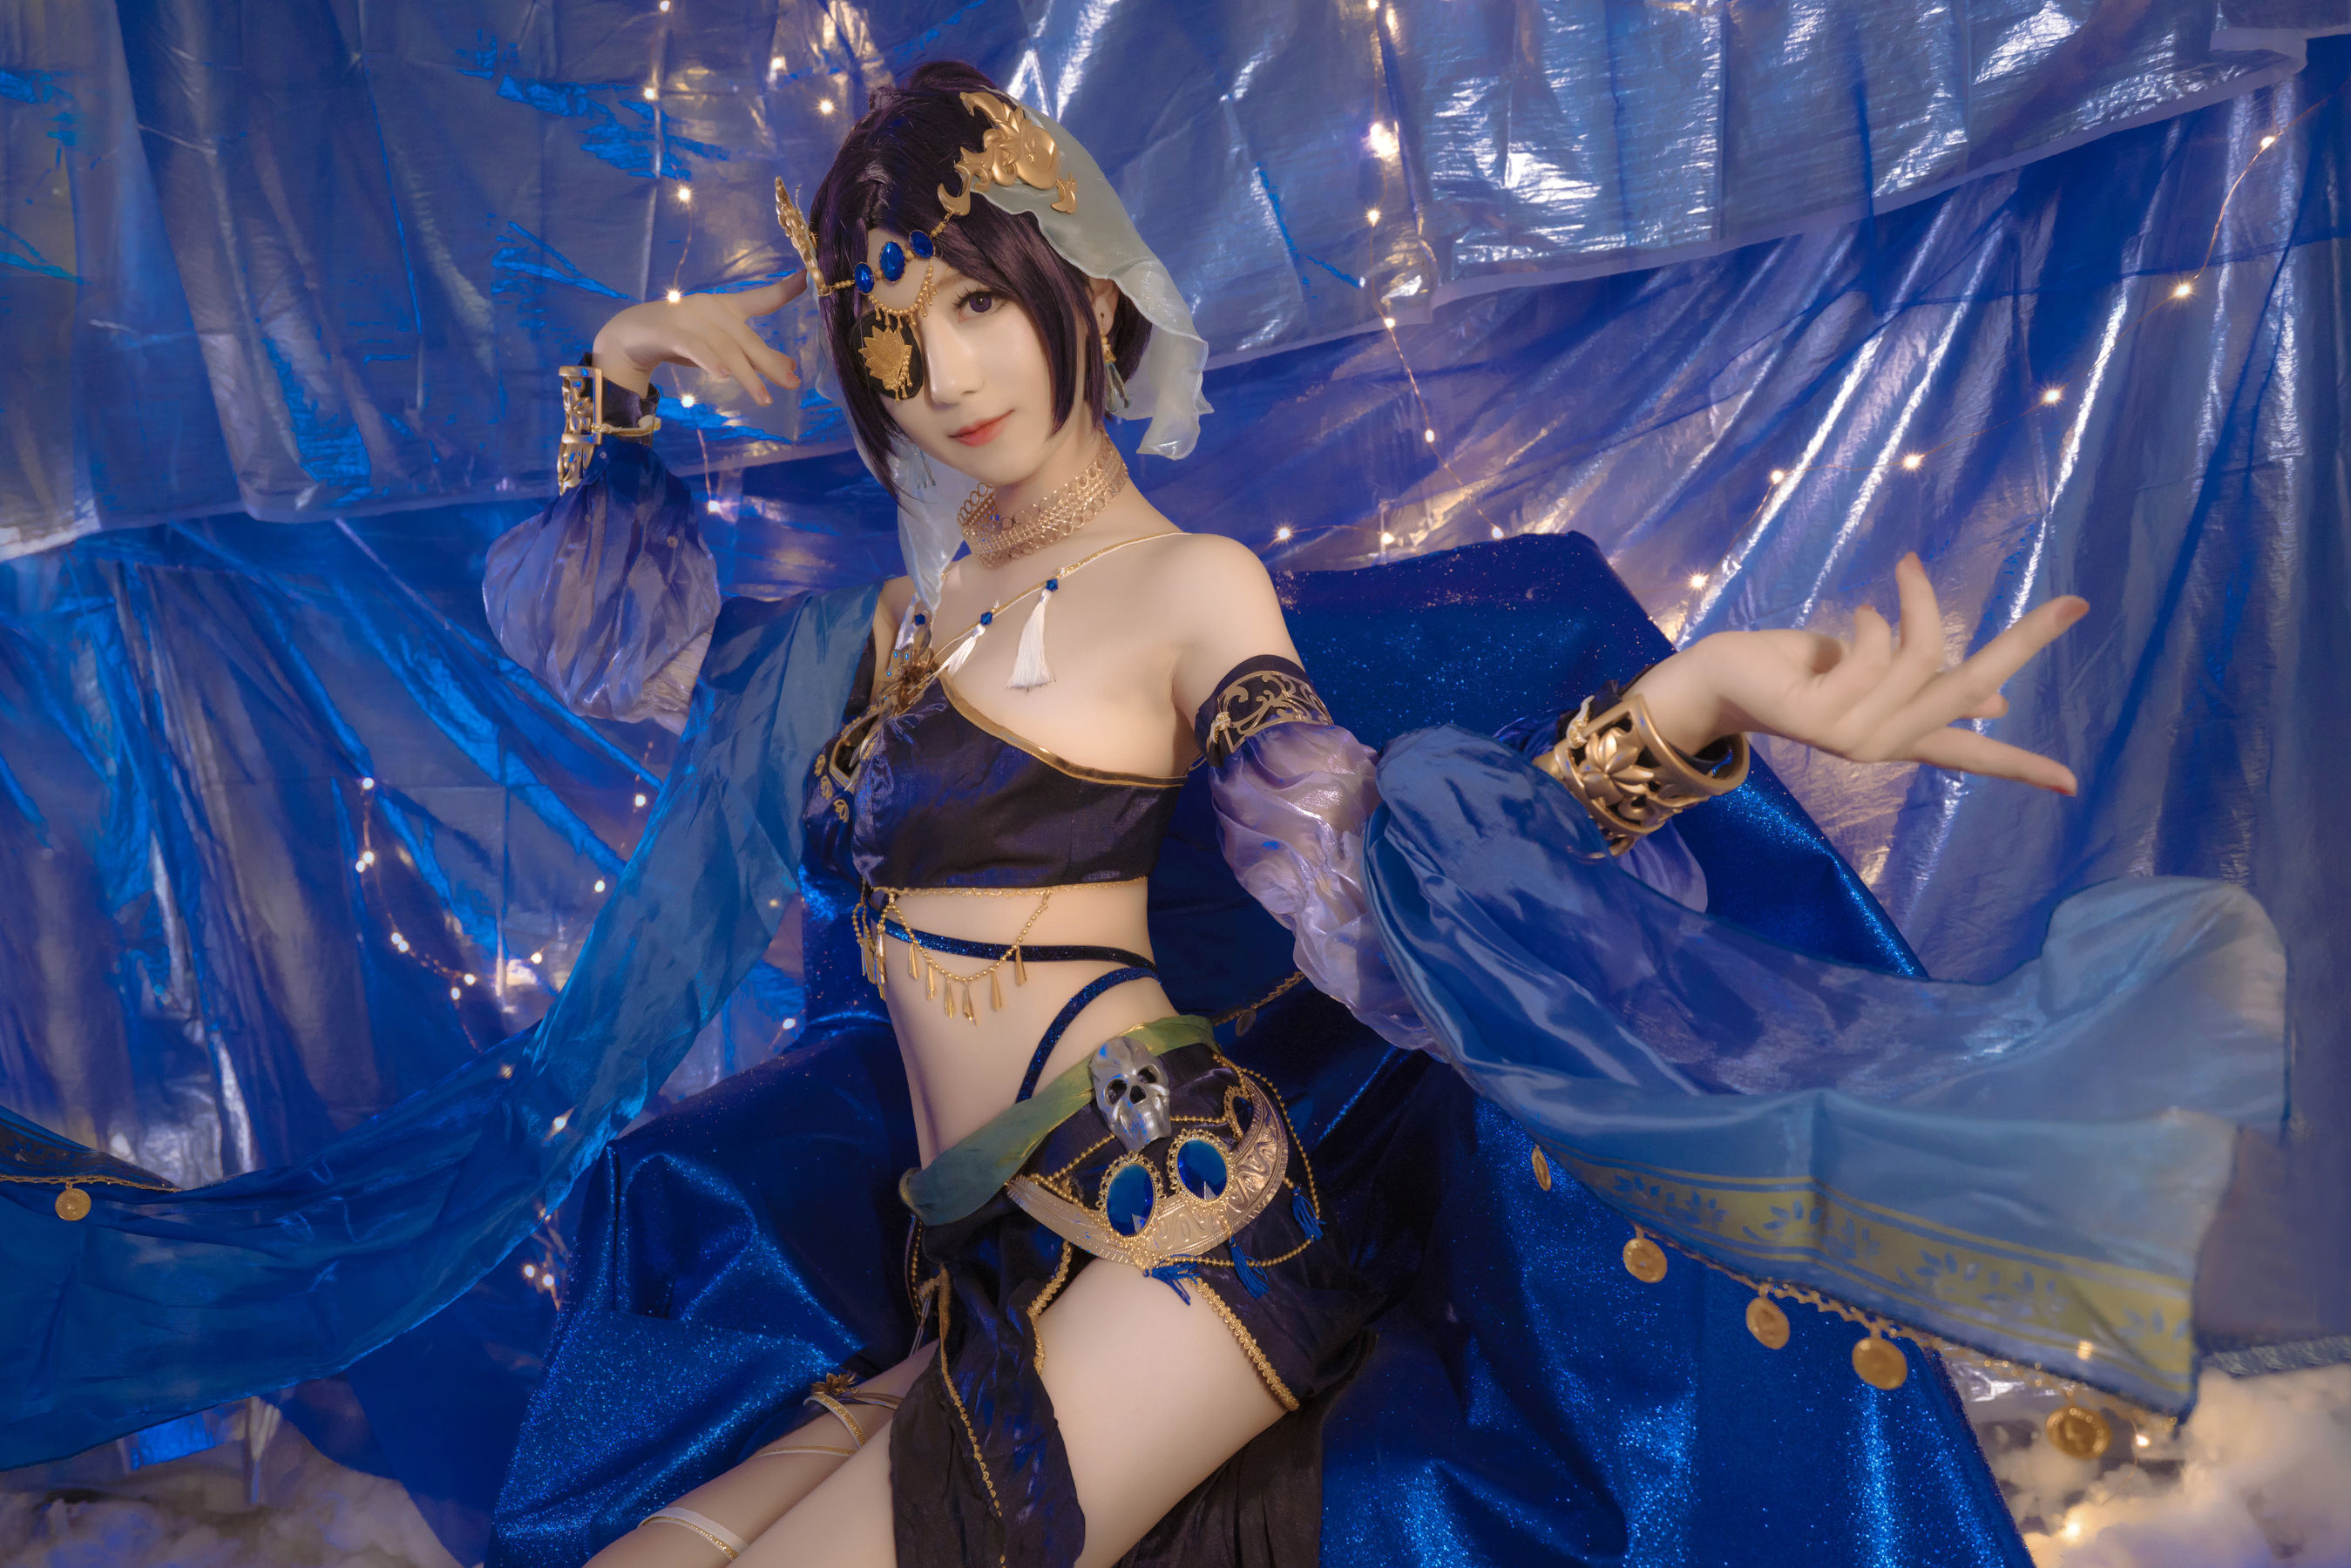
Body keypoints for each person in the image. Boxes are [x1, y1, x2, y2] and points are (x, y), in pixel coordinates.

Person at [478, 61, 2285, 1568]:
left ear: (1083, 296)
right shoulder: (890, 626)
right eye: (890, 335)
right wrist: (614, 387)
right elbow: (621, 660)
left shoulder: (1187, 588)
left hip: (1172, 1221)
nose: (942, 376)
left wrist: (1695, 705)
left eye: (974, 304)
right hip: (976, 1259)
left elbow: (1371, 870)